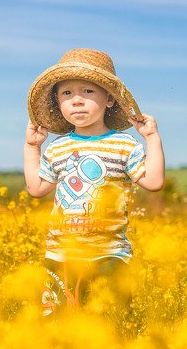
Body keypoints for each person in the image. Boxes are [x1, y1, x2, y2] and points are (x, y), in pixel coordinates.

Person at [24, 48, 165, 315]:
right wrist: (32, 148)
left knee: (109, 323)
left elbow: (154, 181)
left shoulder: (124, 144)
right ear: (58, 102)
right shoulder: (57, 147)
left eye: (88, 92)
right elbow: (36, 188)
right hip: (60, 256)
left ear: (109, 99)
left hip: (109, 256)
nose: (77, 100)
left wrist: (151, 138)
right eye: (67, 93)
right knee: (53, 321)